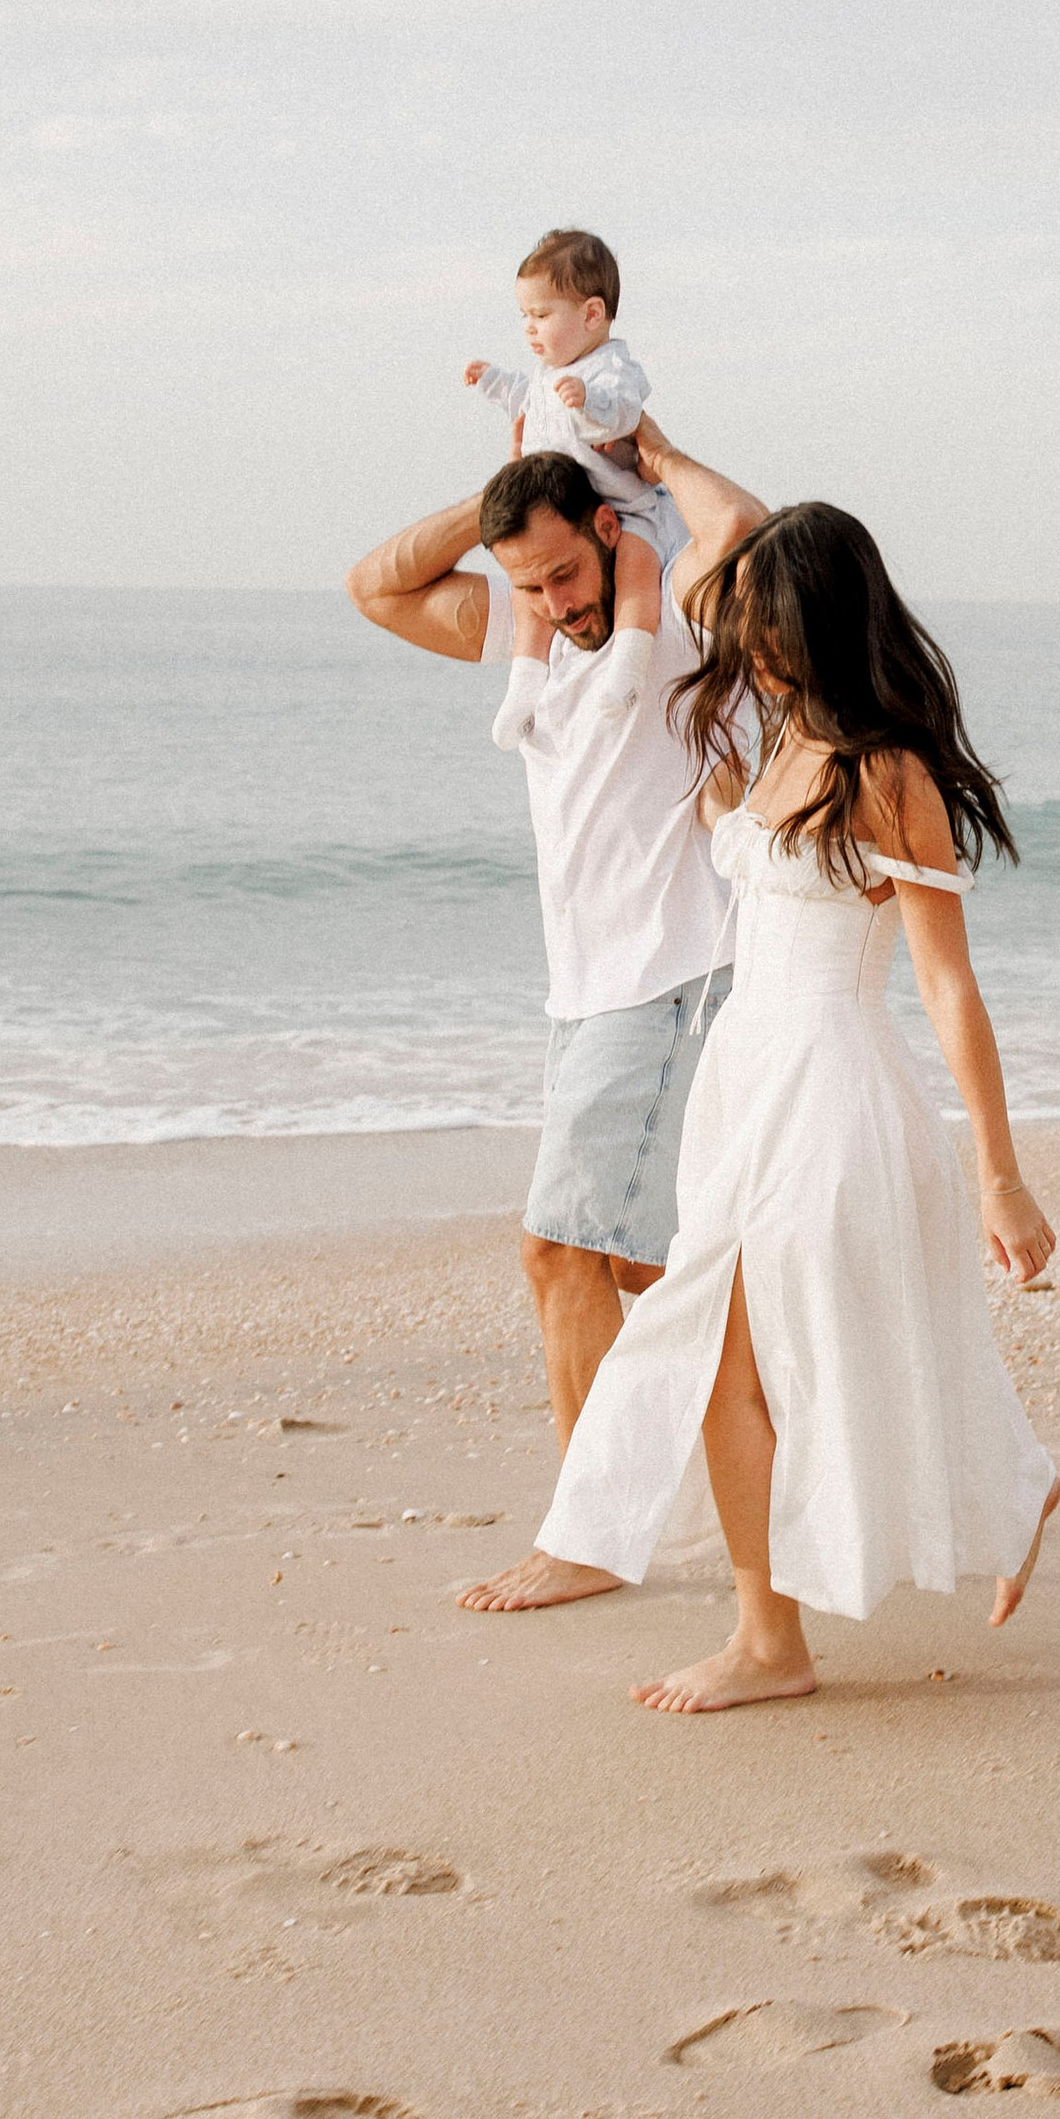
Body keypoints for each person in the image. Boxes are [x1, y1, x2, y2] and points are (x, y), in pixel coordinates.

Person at [534, 501, 1060, 1715]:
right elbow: (708, 545)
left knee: (772, 1359)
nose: (752, 652)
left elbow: (946, 980)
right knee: (779, 1353)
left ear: (819, 625)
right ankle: (988, 1491)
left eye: (771, 631)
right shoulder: (778, 744)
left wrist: (999, 1173)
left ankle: (775, 1636)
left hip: (830, 1090)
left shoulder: (888, 770)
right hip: (743, 1080)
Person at [344, 415, 768, 1610]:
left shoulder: (674, 623)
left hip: (677, 974)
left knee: (559, 1249)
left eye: (567, 572)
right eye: (527, 583)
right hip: (586, 991)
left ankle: (589, 1534)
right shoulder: (532, 631)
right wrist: (502, 500)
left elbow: (739, 527)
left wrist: (641, 462)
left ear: (607, 532)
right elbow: (375, 583)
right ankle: (830, 1454)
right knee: (659, 1264)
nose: (555, 601)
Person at [462, 227, 675, 748]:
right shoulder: (543, 374)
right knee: (532, 596)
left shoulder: (611, 368)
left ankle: (628, 664)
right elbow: (522, 397)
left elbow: (625, 413)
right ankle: (523, 687)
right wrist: (492, 380)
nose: (530, 329)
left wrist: (588, 402)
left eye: (541, 315)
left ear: (592, 314)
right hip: (557, 509)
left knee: (637, 569)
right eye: (525, 318)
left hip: (623, 504)